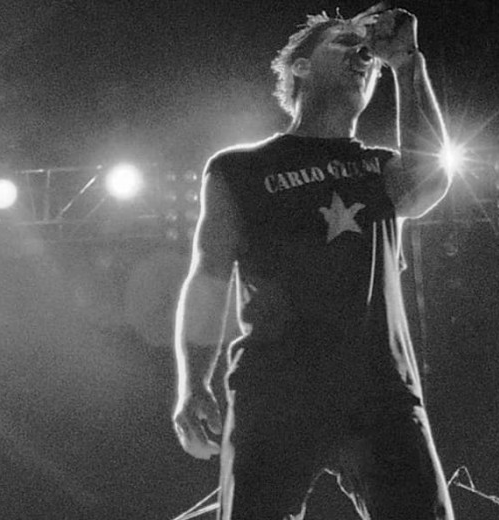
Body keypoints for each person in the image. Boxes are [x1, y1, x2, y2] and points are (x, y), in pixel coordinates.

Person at [172, 4, 454, 520]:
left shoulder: (378, 168)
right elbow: (208, 277)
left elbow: (429, 182)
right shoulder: (240, 169)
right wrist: (194, 383)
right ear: (300, 67)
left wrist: (407, 64)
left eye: (368, 56)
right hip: (275, 392)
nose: (362, 57)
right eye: (344, 43)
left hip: (380, 393)